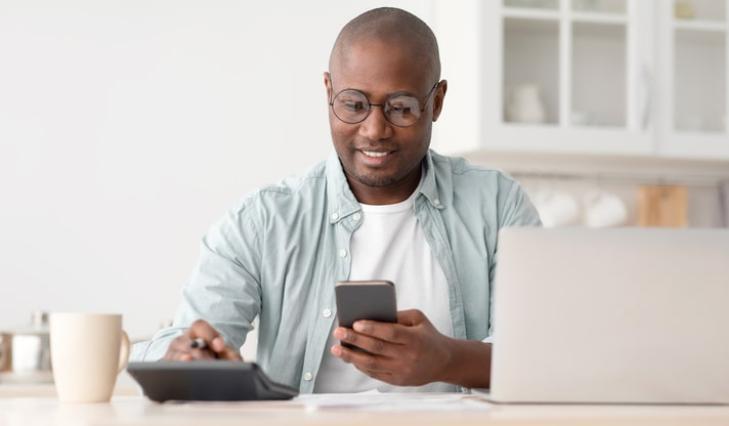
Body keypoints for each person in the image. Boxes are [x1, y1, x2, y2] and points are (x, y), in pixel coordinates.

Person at [131, 7, 540, 393]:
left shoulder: (498, 205)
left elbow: (542, 360)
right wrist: (184, 356)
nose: (375, 129)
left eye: (401, 107)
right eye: (354, 105)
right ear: (329, 91)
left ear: (436, 102)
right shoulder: (265, 220)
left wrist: (446, 359)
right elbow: (181, 341)